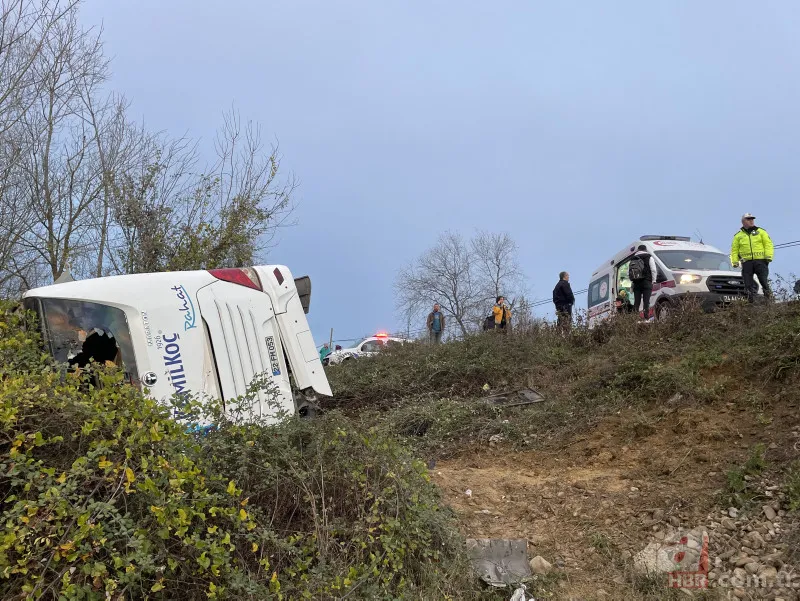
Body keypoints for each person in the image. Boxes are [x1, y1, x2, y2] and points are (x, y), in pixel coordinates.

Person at [730, 213, 774, 303]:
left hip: (761, 261)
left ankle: (769, 300)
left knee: (763, 281)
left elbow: (768, 244)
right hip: (746, 263)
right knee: (748, 283)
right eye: (748, 219)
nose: (751, 221)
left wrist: (768, 257)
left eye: (752, 219)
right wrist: (734, 262)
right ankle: (751, 302)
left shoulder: (761, 232)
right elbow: (734, 250)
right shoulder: (738, 236)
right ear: (743, 222)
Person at [629, 245, 657, 321]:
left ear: (638, 250)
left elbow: (630, 273)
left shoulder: (633, 259)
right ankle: (646, 318)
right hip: (646, 282)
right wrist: (653, 281)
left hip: (636, 283)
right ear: (646, 249)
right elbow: (653, 270)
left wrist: (632, 285)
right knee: (646, 301)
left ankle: (634, 319)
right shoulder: (649, 257)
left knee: (637, 302)